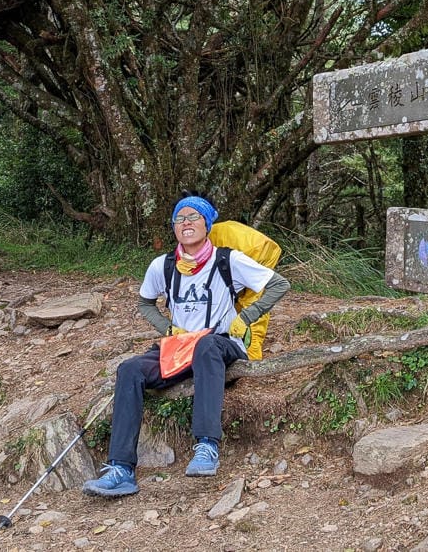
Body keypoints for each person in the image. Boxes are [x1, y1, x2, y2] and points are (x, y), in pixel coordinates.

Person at [81, 195, 289, 496]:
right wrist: (167, 327)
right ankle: (121, 469)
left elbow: (279, 284)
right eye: (180, 218)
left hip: (222, 346)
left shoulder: (227, 259)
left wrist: (247, 317)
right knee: (129, 370)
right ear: (173, 227)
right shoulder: (162, 266)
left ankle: (206, 447)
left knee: (206, 346)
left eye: (194, 217)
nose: (186, 222)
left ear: (207, 223)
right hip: (181, 349)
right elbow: (145, 303)